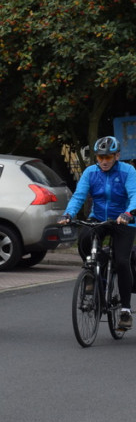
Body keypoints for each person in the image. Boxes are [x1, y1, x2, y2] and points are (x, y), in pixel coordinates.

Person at [58, 135, 136, 329]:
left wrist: (128, 213)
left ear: (117, 156)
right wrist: (69, 213)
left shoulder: (128, 171)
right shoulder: (90, 172)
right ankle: (94, 275)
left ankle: (125, 310)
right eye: (100, 157)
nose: (103, 161)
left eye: (108, 157)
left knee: (122, 261)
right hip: (99, 217)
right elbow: (79, 195)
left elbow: (135, 195)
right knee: (84, 238)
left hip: (123, 220)